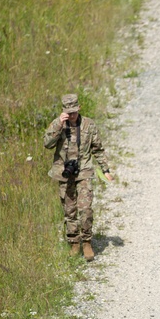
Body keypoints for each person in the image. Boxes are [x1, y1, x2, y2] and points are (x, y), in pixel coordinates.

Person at [43, 93, 113, 261]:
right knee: (69, 210)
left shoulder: (89, 125)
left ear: (79, 108)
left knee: (86, 209)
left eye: (74, 111)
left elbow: (98, 149)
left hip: (84, 172)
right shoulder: (59, 125)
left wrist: (105, 169)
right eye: (69, 112)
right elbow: (47, 144)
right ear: (64, 111)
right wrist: (58, 124)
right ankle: (74, 242)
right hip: (64, 173)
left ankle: (87, 241)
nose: (72, 115)